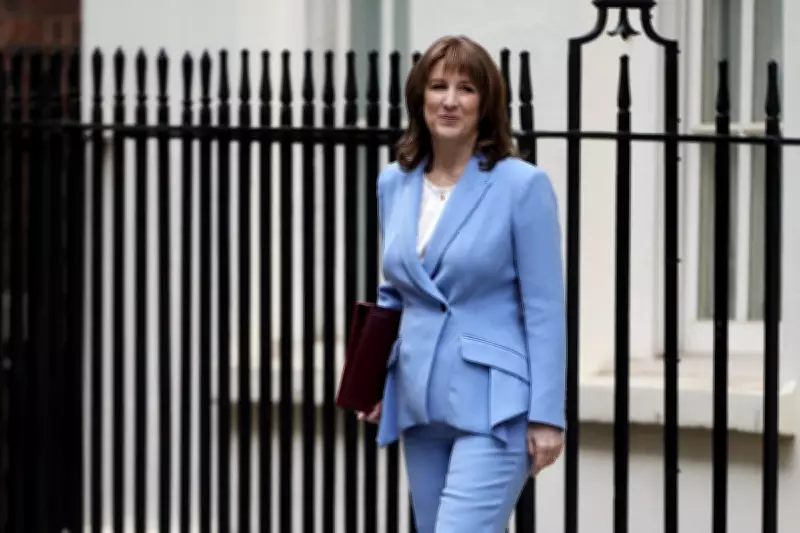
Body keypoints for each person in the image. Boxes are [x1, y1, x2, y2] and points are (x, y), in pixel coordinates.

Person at [357, 35, 566, 533]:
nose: (450, 100)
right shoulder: (395, 182)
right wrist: (372, 378)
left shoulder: (521, 185)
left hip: (495, 404)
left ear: (485, 104)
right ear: (419, 98)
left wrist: (547, 415)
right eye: (438, 86)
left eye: (466, 89)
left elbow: (545, 307)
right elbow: (396, 291)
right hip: (418, 398)